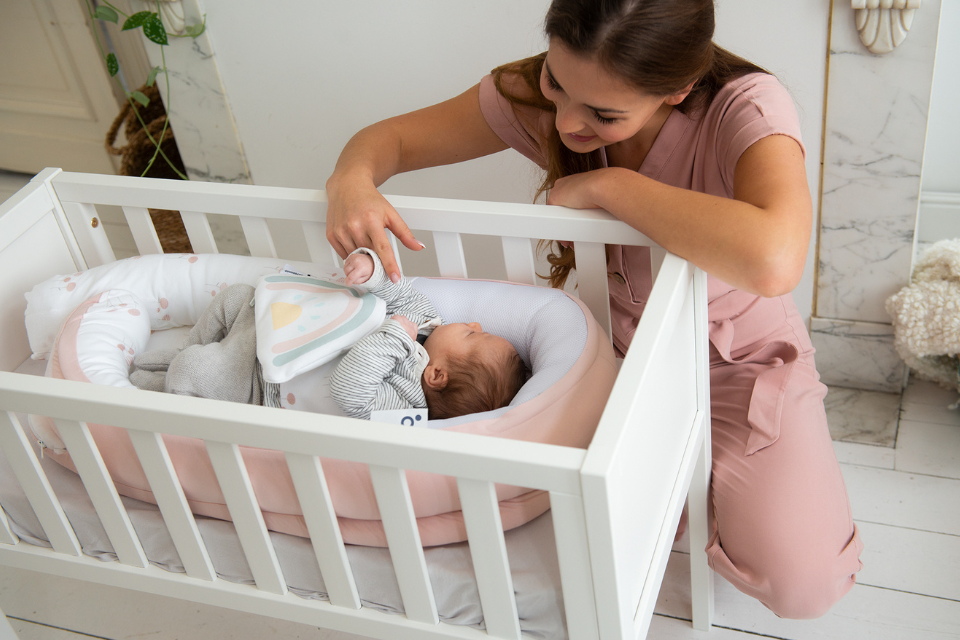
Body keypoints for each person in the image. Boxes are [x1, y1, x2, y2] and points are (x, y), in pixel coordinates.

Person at [323, 0, 863, 620]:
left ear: (677, 89)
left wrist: (613, 187)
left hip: (740, 356)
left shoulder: (746, 106)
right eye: (556, 84)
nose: (567, 124)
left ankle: (730, 486)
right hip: (614, 354)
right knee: (590, 535)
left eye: (604, 114)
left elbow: (775, 258)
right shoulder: (536, 95)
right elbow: (389, 139)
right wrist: (352, 179)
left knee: (802, 584)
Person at [330, 248, 527, 420]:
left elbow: (350, 394)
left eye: (472, 335)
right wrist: (372, 272)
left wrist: (395, 339)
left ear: (437, 374)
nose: (476, 324)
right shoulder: (427, 320)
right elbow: (401, 295)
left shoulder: (403, 404)